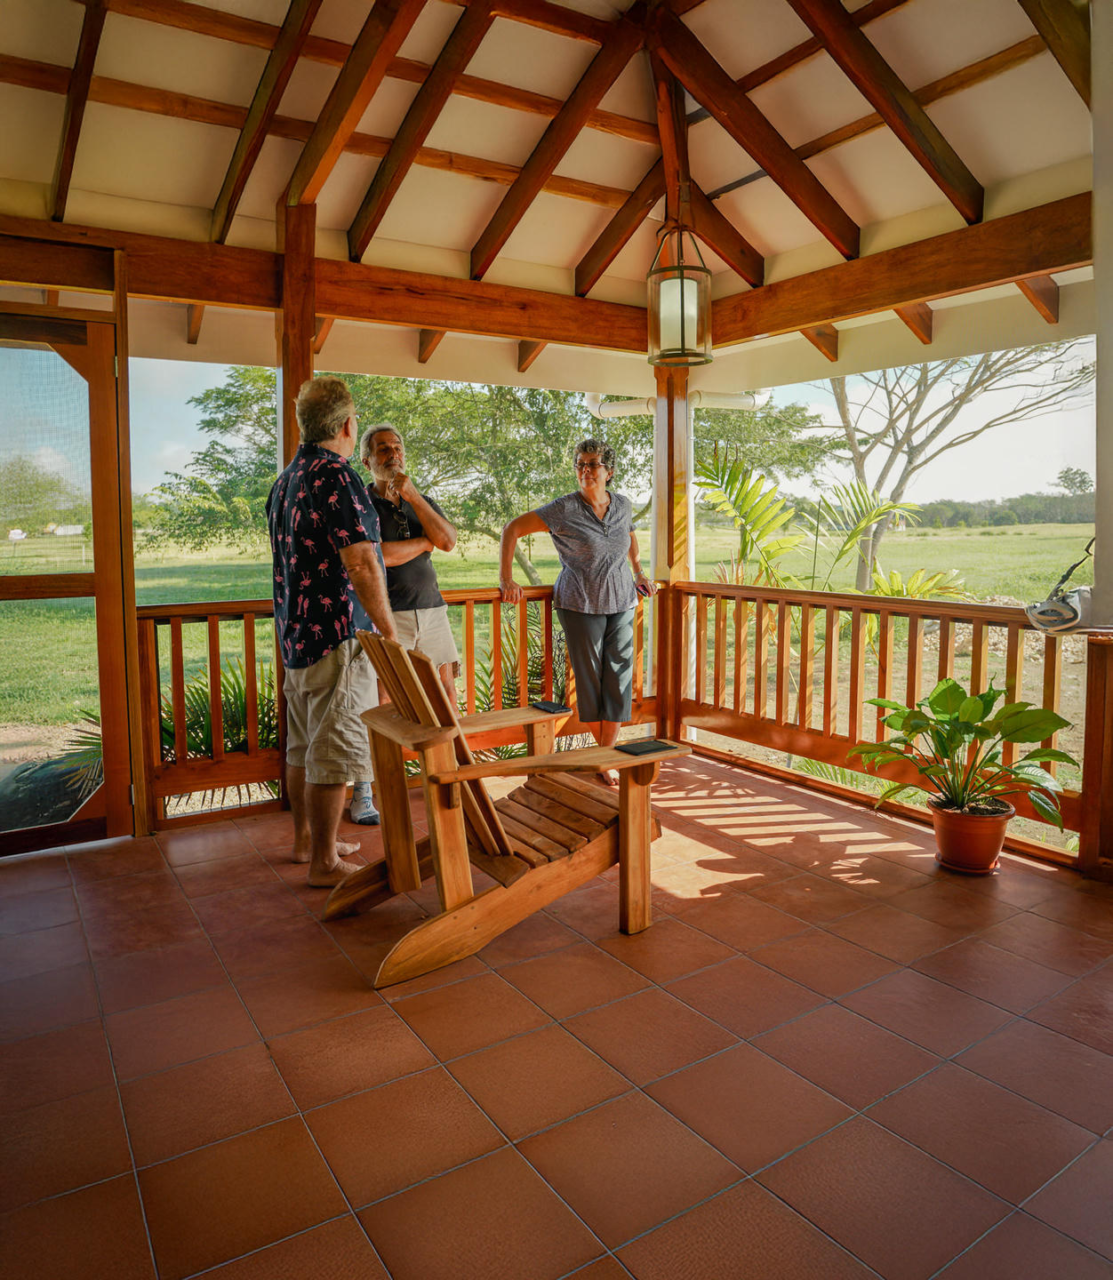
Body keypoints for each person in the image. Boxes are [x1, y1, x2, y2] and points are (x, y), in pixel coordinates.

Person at [266, 376, 397, 886]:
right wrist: (389, 634)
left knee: (302, 747)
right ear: (347, 425)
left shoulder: (287, 480)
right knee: (333, 751)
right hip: (338, 635)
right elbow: (362, 564)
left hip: (297, 636)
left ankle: (306, 841)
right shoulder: (338, 476)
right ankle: (324, 861)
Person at [499, 438, 655, 786]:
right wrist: (506, 578)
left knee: (619, 679)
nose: (585, 469)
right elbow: (512, 529)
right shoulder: (564, 509)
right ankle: (603, 758)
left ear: (609, 471)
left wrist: (640, 570)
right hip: (580, 603)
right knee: (591, 679)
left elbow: (629, 537)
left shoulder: (624, 505)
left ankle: (606, 756)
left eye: (593, 464)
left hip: (623, 602)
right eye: (580, 464)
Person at [348, 424, 461, 823]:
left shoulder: (420, 499)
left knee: (445, 693)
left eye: (396, 447)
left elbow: (448, 540)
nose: (392, 454)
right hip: (386, 614)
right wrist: (424, 542)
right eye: (382, 449)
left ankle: (450, 774)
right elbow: (378, 556)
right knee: (380, 703)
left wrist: (412, 496)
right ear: (366, 461)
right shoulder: (360, 503)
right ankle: (366, 791)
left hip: (431, 611)